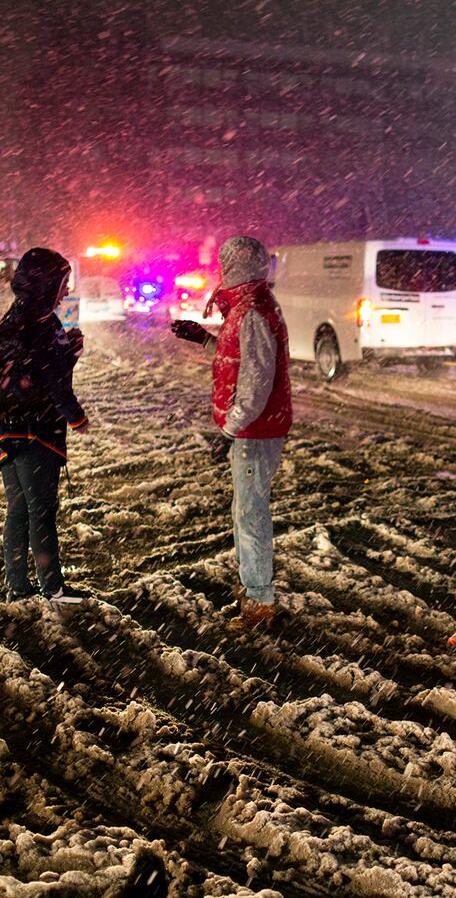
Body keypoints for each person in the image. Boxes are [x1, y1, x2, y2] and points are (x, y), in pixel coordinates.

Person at [170, 236, 292, 629]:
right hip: (252, 428)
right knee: (246, 511)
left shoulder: (252, 311)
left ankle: (259, 602)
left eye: (225, 263)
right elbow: (238, 358)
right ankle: (252, 593)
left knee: (251, 514)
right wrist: (205, 339)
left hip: (254, 431)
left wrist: (232, 426)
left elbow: (256, 381)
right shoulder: (244, 308)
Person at [0, 247, 90, 603]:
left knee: (18, 509)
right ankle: (54, 588)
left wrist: (67, 354)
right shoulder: (42, 323)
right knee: (41, 511)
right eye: (62, 282)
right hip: (35, 432)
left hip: (4, 430)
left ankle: (17, 585)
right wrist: (76, 416)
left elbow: (40, 370)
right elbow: (52, 379)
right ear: (47, 283)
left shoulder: (15, 317)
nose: (66, 289)